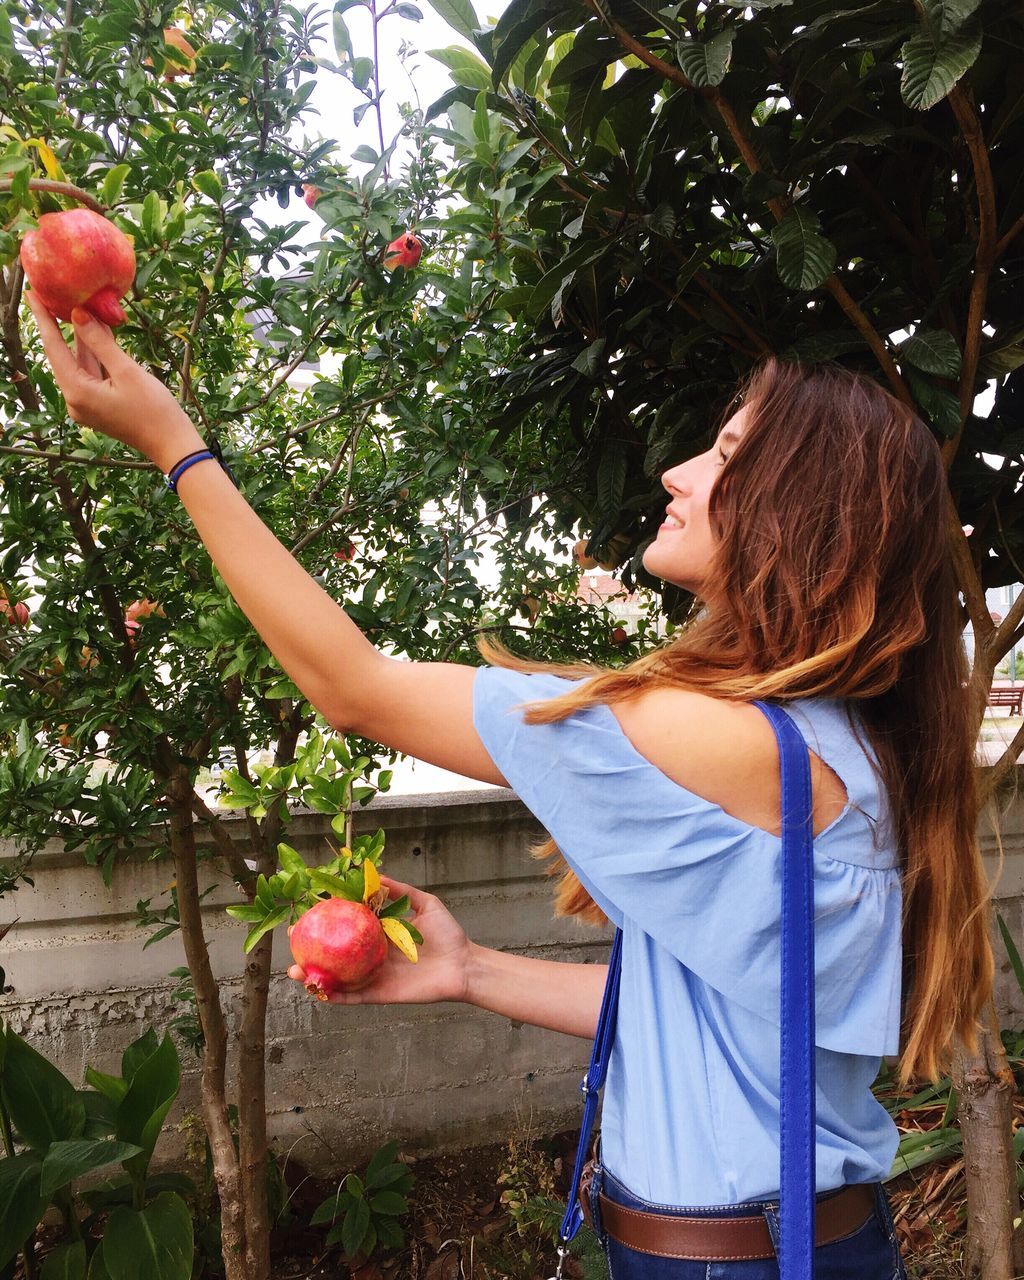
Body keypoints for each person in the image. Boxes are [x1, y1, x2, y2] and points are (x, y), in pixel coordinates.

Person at [24, 292, 994, 1279]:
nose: (678, 471)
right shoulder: (846, 745)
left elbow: (352, 687)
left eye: (729, 455)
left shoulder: (713, 737)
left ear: (804, 514)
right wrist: (469, 967)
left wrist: (175, 447)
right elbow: (710, 1015)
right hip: (802, 1242)